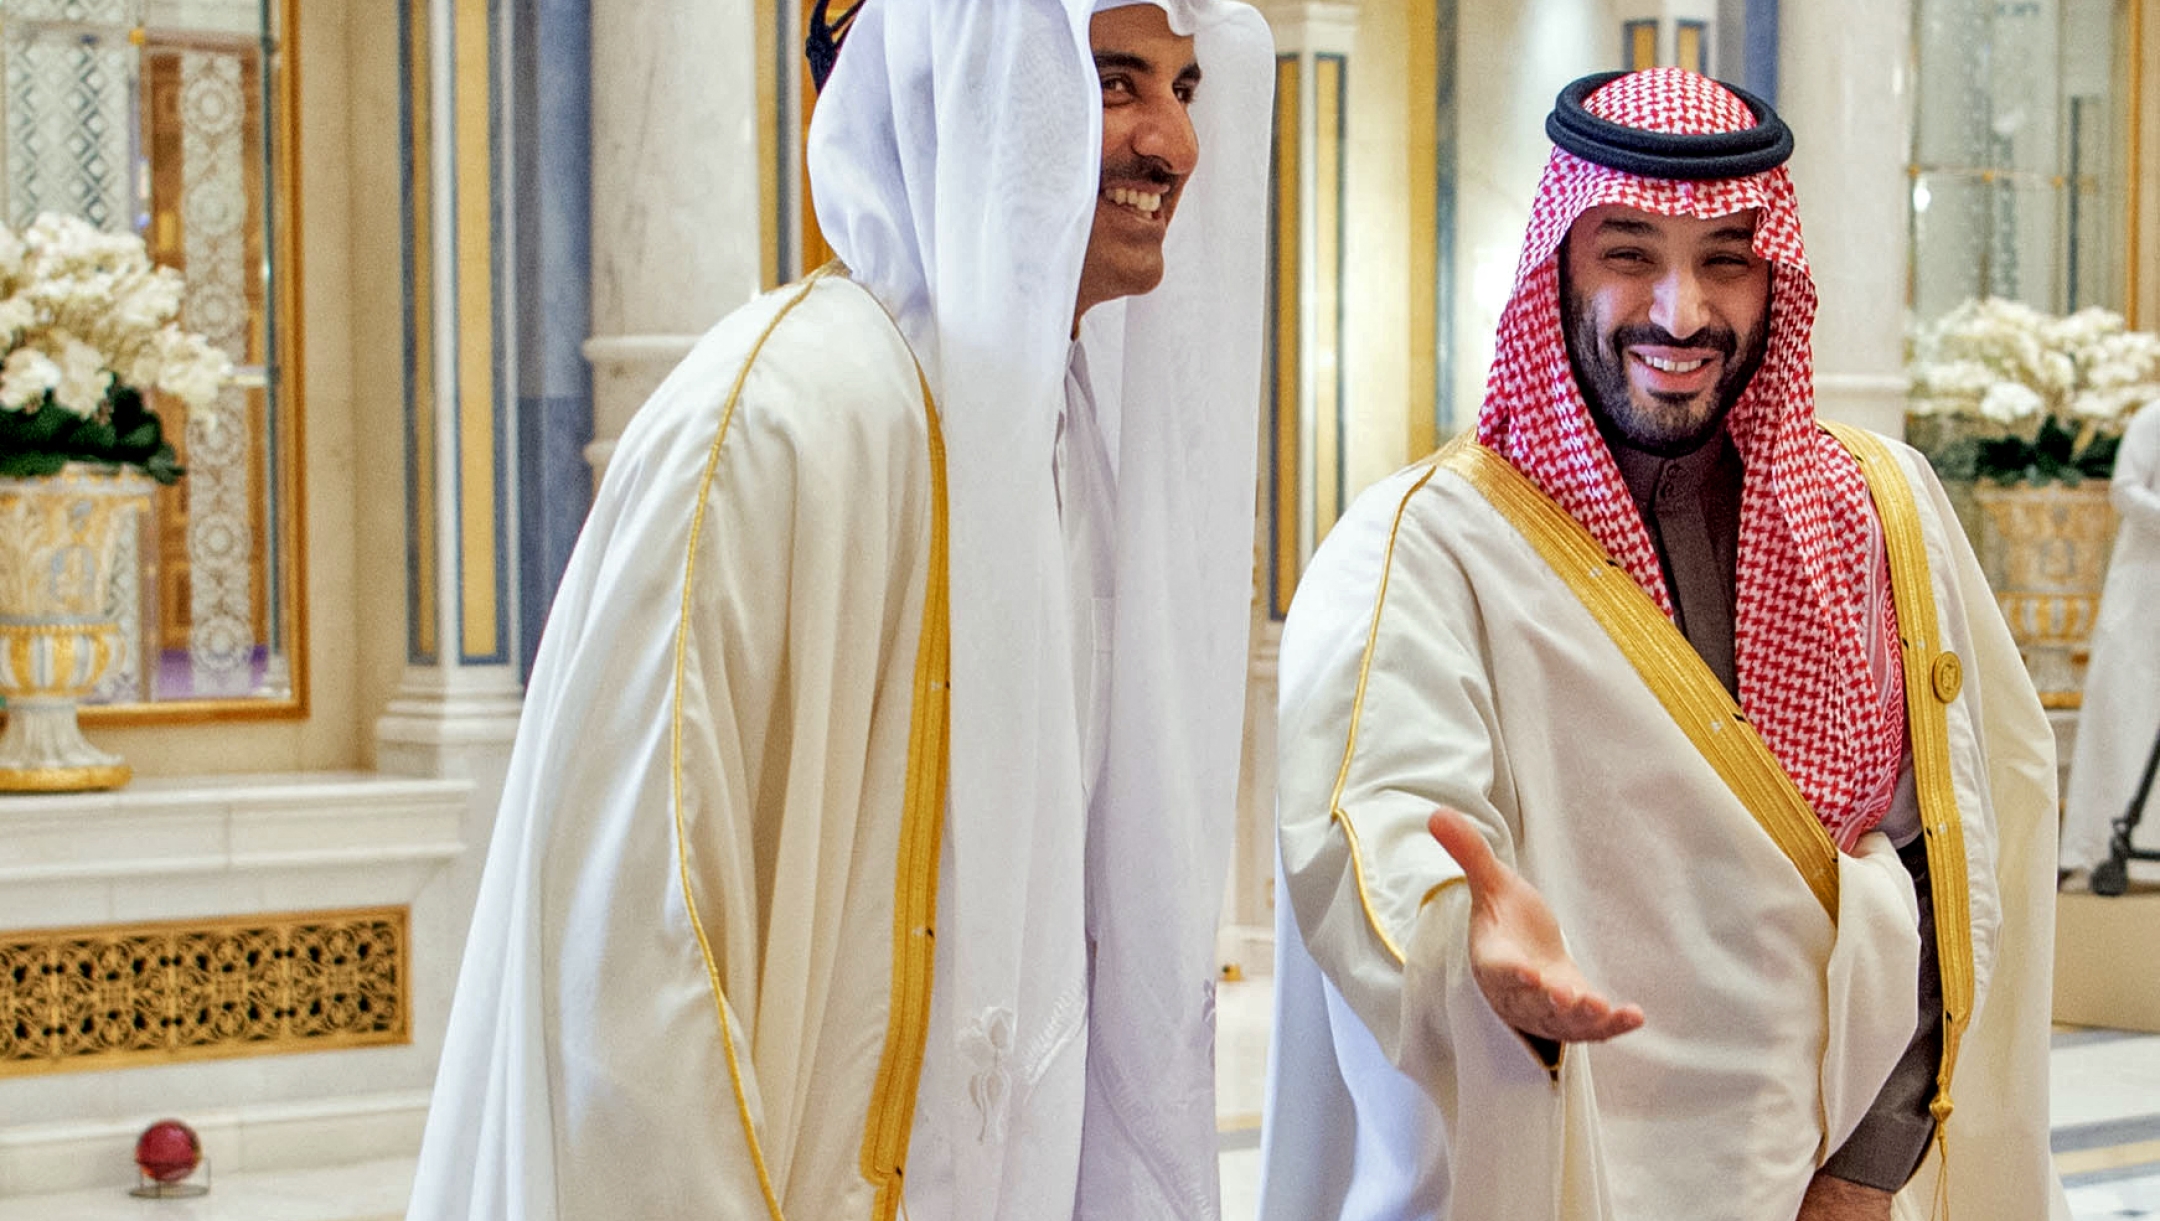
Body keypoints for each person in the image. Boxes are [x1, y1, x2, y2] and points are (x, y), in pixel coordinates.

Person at [405, 3, 1272, 1218]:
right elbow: (639, 976)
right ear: (964, 94)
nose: (1172, 144)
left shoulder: (1067, 437)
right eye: (1114, 84)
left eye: (1186, 89)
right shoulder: (790, 421)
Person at [1259, 68, 2066, 1221]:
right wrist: (1464, 944)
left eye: (1725, 258)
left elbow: (1954, 852)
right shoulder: (1429, 548)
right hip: (1573, 1157)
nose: (1681, 313)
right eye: (1629, 253)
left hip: (1829, 1165)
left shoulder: (1883, 511)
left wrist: (1868, 1167)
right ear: (1558, 267)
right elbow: (1378, 815)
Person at [2060, 401, 2160, 884]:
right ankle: (2106, 841)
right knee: (2130, 700)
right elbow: (2124, 491)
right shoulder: (2153, 418)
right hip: (2146, 588)